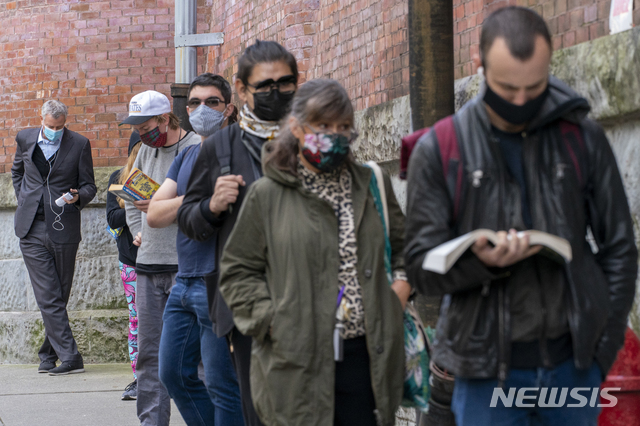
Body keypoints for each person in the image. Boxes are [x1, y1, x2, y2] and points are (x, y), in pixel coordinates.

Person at [404, 7, 638, 426]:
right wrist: (480, 264)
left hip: (573, 368)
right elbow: (420, 268)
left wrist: (602, 353)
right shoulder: (438, 149)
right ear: (479, 64)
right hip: (481, 376)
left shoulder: (582, 137)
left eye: (534, 88)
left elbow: (619, 247)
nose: (520, 102)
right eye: (506, 89)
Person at [218, 79, 410, 426]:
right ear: (296, 127)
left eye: (343, 127)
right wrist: (271, 321)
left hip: (367, 358)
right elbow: (237, 272)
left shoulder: (371, 183)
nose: (334, 135)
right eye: (322, 126)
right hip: (296, 361)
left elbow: (404, 248)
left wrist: (399, 291)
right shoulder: (267, 195)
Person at [177, 40, 298, 426]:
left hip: (313, 296)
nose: (275, 92)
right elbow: (189, 218)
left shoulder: (314, 137)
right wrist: (212, 206)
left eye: (285, 82)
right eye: (264, 86)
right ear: (243, 90)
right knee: (258, 409)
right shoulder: (222, 147)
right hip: (249, 304)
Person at [148, 73, 243, 426]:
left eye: (212, 102)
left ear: (228, 108)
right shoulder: (187, 156)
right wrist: (198, 199)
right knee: (172, 374)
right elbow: (154, 215)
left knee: (222, 383)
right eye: (194, 103)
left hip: (217, 281)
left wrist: (179, 203)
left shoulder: (238, 150)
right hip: (183, 280)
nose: (202, 109)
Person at [122, 90, 200, 426]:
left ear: (165, 119)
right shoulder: (143, 151)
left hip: (185, 267)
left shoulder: (195, 148)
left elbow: (202, 203)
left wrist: (161, 206)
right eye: (136, 127)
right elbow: (130, 197)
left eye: (144, 125)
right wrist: (139, 230)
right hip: (148, 265)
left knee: (194, 359)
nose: (140, 132)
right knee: (149, 358)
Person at [11, 100, 96, 376]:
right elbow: (17, 172)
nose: (55, 131)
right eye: (50, 126)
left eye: (60, 127)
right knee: (48, 294)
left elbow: (90, 186)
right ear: (41, 119)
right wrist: (24, 200)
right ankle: (72, 357)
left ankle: (48, 354)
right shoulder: (25, 138)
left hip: (64, 227)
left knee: (59, 294)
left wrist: (77, 197)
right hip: (31, 229)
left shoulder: (80, 144)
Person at [106, 131, 142, 400]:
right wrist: (136, 203)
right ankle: (140, 378)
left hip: (166, 259)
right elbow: (112, 218)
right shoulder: (118, 178)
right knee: (137, 320)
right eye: (139, 148)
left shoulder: (168, 173)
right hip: (131, 261)